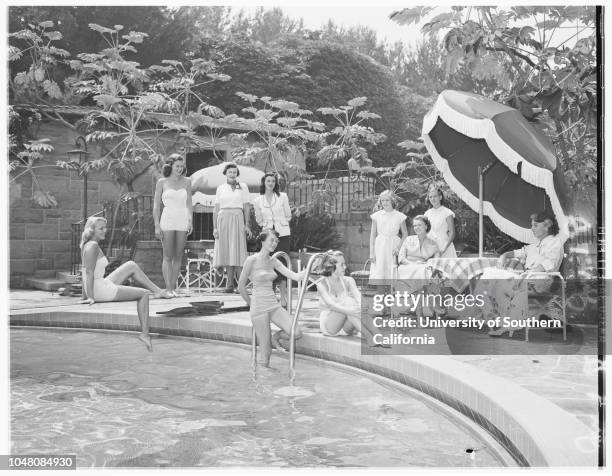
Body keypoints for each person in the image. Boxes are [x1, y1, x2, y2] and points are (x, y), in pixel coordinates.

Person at [81, 216, 172, 351]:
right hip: (99, 289)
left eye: (105, 227)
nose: (105, 230)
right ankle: (145, 334)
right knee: (143, 295)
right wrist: (90, 297)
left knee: (131, 265)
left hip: (99, 283)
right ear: (92, 230)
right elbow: (88, 273)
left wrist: (85, 295)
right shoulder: (93, 247)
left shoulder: (87, 244)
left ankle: (157, 291)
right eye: (101, 228)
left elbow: (84, 272)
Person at [478, 212, 565, 337]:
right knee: (495, 284)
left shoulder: (555, 243)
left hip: (541, 282)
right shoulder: (535, 246)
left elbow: (547, 265)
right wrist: (504, 256)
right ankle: (502, 322)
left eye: (535, 225)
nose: (532, 228)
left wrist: (527, 273)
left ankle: (504, 323)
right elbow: (516, 252)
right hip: (527, 279)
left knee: (494, 280)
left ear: (547, 226)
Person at [238, 229, 307, 367]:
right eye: (272, 240)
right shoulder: (251, 260)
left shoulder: (274, 261)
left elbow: (295, 276)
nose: (275, 243)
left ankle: (276, 337)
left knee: (296, 332)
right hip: (259, 308)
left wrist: (310, 268)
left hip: (273, 305)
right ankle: (262, 384)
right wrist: (251, 304)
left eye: (276, 241)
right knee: (266, 351)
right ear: (263, 241)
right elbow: (241, 287)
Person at [317, 251, 389, 347]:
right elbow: (331, 305)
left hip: (347, 326)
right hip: (330, 325)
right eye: (342, 264)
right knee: (348, 301)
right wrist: (351, 311)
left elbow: (358, 297)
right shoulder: (322, 283)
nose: (345, 267)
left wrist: (363, 308)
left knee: (354, 303)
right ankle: (367, 336)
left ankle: (378, 335)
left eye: (345, 264)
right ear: (331, 266)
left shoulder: (348, 280)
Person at [153, 154, 193, 297]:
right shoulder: (162, 182)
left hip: (182, 219)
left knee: (178, 256)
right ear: (170, 166)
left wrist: (190, 220)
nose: (180, 169)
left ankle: (173, 288)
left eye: (182, 166)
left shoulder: (187, 181)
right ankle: (168, 288)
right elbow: (156, 205)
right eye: (177, 166)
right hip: (168, 218)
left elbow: (189, 203)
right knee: (167, 255)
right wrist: (157, 225)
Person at [252, 173, 293, 307]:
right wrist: (267, 226)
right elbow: (258, 219)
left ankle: (283, 296)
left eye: (273, 181)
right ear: (264, 183)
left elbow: (288, 215)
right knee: (268, 263)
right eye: (268, 181)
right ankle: (271, 295)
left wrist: (280, 223)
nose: (270, 183)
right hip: (268, 235)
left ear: (276, 183)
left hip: (283, 234)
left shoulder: (283, 197)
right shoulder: (258, 200)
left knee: (282, 262)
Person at [213, 163, 253, 293]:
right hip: (223, 219)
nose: (232, 174)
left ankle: (241, 285)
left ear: (237, 174)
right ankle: (229, 284)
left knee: (239, 251)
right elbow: (216, 208)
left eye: (234, 172)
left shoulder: (244, 187)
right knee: (227, 251)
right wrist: (215, 228)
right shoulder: (220, 188)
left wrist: (247, 224)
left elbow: (247, 206)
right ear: (225, 173)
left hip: (237, 218)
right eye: (230, 172)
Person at [396, 216, 441, 316]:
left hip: (423, 270)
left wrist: (426, 265)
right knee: (421, 272)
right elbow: (401, 258)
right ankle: (435, 307)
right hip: (407, 268)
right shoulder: (408, 239)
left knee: (425, 272)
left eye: (419, 225)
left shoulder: (433, 243)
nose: (416, 228)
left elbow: (436, 261)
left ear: (426, 226)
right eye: (414, 225)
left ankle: (419, 312)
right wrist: (413, 264)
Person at [369, 190, 408, 284]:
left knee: (393, 274)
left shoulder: (399, 216)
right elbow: (373, 235)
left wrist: (398, 248)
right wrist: (372, 253)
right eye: (382, 200)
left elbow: (405, 234)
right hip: (380, 247)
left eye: (387, 200)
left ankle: (391, 296)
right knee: (380, 274)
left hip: (393, 246)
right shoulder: (376, 216)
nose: (385, 203)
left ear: (392, 201)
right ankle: (381, 296)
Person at [424, 185, 457, 258]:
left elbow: (452, 232)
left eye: (435, 196)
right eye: (430, 197)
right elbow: (425, 232)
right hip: (431, 247)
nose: (433, 199)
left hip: (445, 246)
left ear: (440, 197)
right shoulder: (427, 214)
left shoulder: (447, 213)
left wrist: (444, 248)